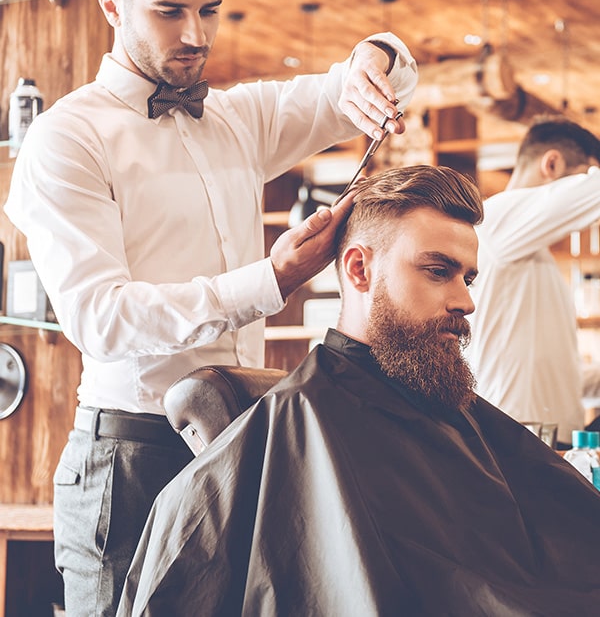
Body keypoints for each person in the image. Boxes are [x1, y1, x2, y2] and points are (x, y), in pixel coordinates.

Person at [3, 0, 418, 616]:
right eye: (169, 12)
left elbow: (374, 73)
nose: (195, 35)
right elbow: (101, 319)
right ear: (110, 3)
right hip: (128, 459)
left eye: (210, 10)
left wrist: (369, 62)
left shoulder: (237, 118)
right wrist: (273, 280)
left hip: (238, 442)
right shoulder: (66, 140)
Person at [118, 165, 600, 617]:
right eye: (437, 271)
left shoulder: (446, 403)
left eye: (467, 278)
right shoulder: (297, 419)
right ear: (359, 270)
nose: (466, 301)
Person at [465, 116, 600, 447]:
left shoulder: (532, 254)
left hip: (550, 440)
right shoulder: (496, 220)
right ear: (551, 164)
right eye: (585, 177)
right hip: (513, 437)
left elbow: (547, 367)